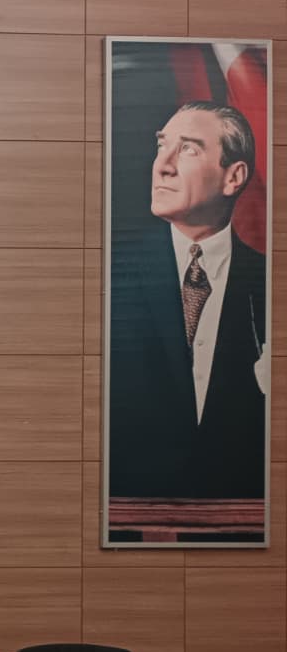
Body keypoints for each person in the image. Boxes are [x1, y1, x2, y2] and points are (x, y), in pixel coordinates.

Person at [108, 99, 268, 534]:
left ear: (233, 177)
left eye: (189, 149)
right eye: (162, 146)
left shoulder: (268, 283)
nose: (162, 166)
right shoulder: (111, 277)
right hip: (128, 526)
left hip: (242, 530)